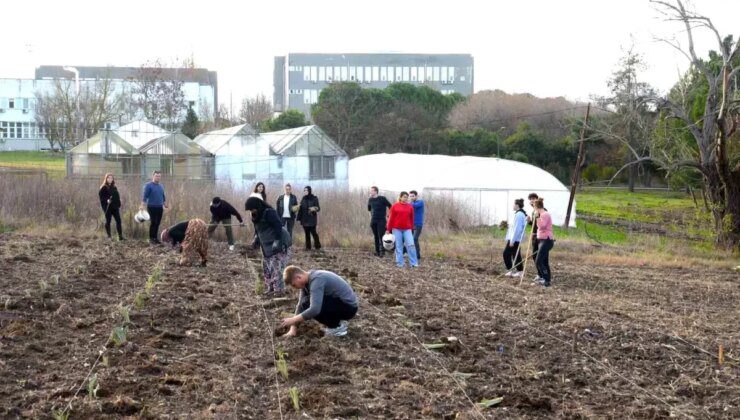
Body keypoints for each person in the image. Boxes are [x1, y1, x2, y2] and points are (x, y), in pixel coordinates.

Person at [280, 265, 358, 338]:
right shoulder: (307, 281)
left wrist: (293, 320)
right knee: (305, 302)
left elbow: (315, 309)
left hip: (349, 308)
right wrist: (293, 328)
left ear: (298, 277)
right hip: (342, 305)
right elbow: (300, 305)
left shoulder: (316, 280)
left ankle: (337, 327)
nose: (295, 288)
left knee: (310, 304)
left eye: (294, 285)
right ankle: (337, 322)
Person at [245, 196, 292, 296]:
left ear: (257, 206)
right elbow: (258, 230)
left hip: (280, 242)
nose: (251, 211)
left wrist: (277, 241)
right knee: (266, 268)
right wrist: (256, 241)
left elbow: (278, 226)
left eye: (252, 209)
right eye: (249, 210)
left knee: (276, 267)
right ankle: (270, 289)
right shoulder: (255, 216)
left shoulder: (268, 212)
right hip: (266, 245)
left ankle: (278, 291)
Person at [386, 191, 418, 268]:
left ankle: (414, 264)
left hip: (407, 229)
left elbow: (412, 218)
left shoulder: (410, 206)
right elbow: (391, 219)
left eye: (407, 197)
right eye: (404, 197)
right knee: (399, 246)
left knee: (411, 245)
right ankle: (400, 264)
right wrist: (388, 229)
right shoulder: (394, 206)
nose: (406, 198)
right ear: (400, 197)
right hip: (396, 229)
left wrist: (411, 227)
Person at [140, 170, 168, 245]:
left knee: (157, 223)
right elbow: (145, 196)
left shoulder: (161, 186)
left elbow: (163, 196)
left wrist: (165, 204)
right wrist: (142, 205)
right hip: (151, 207)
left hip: (160, 207)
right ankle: (151, 239)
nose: (158, 177)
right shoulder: (148, 185)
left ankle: (155, 238)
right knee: (153, 222)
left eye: (159, 176)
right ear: (153, 176)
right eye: (156, 176)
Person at [533, 198, 554, 287]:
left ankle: (545, 279)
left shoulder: (545, 214)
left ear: (536, 207)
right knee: (544, 261)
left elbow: (542, 226)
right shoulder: (541, 214)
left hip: (546, 240)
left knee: (538, 261)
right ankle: (547, 279)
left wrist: (537, 217)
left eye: (534, 207)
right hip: (541, 240)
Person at [504, 198, 527, 277]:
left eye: (514, 204)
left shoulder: (519, 215)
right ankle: (519, 271)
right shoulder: (519, 214)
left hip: (515, 239)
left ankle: (510, 271)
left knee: (506, 254)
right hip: (515, 238)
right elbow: (514, 226)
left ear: (517, 205)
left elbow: (517, 228)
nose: (513, 206)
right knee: (516, 255)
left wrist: (512, 241)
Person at [526, 192, 546, 282]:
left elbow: (542, 225)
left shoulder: (542, 210)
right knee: (535, 256)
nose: (532, 200)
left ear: (537, 200)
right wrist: (529, 221)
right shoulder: (533, 211)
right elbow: (535, 225)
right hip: (535, 236)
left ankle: (544, 275)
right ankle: (540, 274)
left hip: (541, 236)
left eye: (534, 199)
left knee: (540, 257)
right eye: (530, 199)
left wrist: (535, 233)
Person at [98, 172, 124, 241]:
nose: (110, 179)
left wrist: (119, 201)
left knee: (118, 220)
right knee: (108, 221)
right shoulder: (103, 187)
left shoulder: (114, 187)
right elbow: (101, 198)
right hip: (107, 207)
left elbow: (116, 196)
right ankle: (109, 236)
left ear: (113, 179)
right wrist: (107, 200)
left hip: (115, 207)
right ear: (106, 179)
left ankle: (120, 237)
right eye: (108, 178)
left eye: (111, 178)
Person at [367, 186, 392, 257]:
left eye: (372, 190)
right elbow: (369, 210)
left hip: (381, 220)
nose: (370, 192)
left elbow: (390, 206)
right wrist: (370, 218)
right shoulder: (370, 200)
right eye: (370, 190)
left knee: (381, 236)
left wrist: (389, 215)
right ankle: (377, 251)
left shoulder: (382, 198)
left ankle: (382, 252)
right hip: (373, 220)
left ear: (376, 191)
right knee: (376, 236)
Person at [297, 186, 321, 251]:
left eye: (306, 190)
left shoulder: (314, 198)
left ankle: (317, 246)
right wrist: (299, 217)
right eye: (304, 190)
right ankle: (308, 247)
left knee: (314, 233)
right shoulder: (303, 199)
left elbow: (318, 208)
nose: (305, 192)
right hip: (304, 219)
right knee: (307, 234)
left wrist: (313, 208)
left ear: (309, 191)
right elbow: (300, 209)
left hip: (312, 219)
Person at [248, 182, 267, 249]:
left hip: (262, 215)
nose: (261, 188)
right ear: (256, 187)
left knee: (259, 230)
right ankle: (254, 245)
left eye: (262, 187)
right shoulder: (253, 195)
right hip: (255, 215)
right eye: (259, 187)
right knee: (257, 229)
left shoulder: (263, 195)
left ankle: (257, 245)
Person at [409, 190, 425, 261]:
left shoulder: (420, 202)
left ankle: (418, 255)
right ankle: (409, 252)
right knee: (410, 239)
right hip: (411, 224)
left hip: (418, 224)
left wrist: (406, 203)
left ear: (416, 196)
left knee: (415, 238)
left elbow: (414, 206)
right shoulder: (410, 203)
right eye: (410, 196)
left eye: (412, 196)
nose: (411, 197)